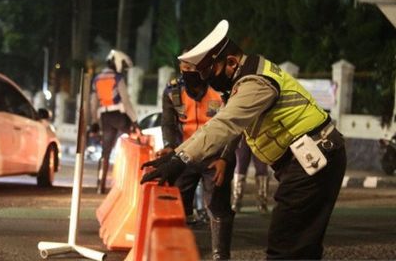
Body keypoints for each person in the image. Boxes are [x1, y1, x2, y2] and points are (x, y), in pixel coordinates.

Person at [141, 20, 346, 259]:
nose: (208, 80)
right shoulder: (245, 78)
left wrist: (180, 158)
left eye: (210, 72)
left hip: (313, 158)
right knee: (301, 247)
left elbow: (224, 124)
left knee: (286, 247)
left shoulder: (255, 82)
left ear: (230, 62)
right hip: (308, 158)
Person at [158, 52, 236, 259]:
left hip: (216, 156)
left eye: (194, 68)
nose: (190, 72)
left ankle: (221, 256)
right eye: (186, 68)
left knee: (217, 208)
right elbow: (168, 123)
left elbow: (235, 127)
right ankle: (181, 253)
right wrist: (169, 147)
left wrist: (225, 159)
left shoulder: (222, 89)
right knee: (178, 207)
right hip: (186, 154)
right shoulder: (173, 91)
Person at [90, 49, 139, 194]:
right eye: (122, 65)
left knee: (105, 152)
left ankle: (101, 185)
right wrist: (135, 122)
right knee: (135, 143)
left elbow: (93, 103)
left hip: (105, 118)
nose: (122, 69)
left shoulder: (97, 78)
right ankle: (133, 181)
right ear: (117, 62)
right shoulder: (117, 78)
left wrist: (94, 121)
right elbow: (126, 102)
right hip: (119, 116)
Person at [232, 135, 270, 213]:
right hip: (242, 135)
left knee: (262, 168)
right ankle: (237, 199)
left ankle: (262, 201)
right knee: (240, 167)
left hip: (259, 135)